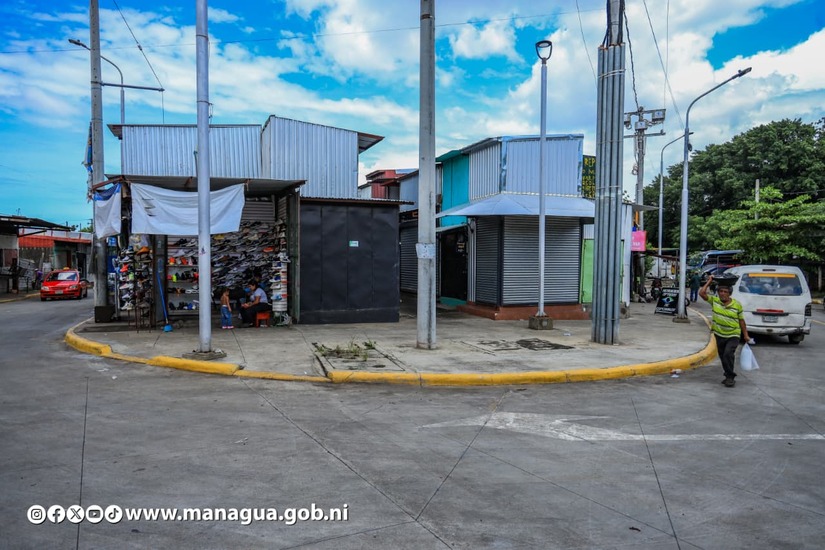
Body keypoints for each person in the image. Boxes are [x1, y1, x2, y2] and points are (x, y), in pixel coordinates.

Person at [699, 275, 752, 387]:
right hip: (719, 334)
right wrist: (709, 281)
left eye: (725, 291)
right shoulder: (715, 301)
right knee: (723, 356)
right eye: (720, 291)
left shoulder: (737, 305)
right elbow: (702, 293)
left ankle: (730, 377)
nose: (722, 293)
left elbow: (741, 321)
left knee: (728, 354)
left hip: (733, 334)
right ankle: (728, 374)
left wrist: (746, 335)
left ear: (729, 293)